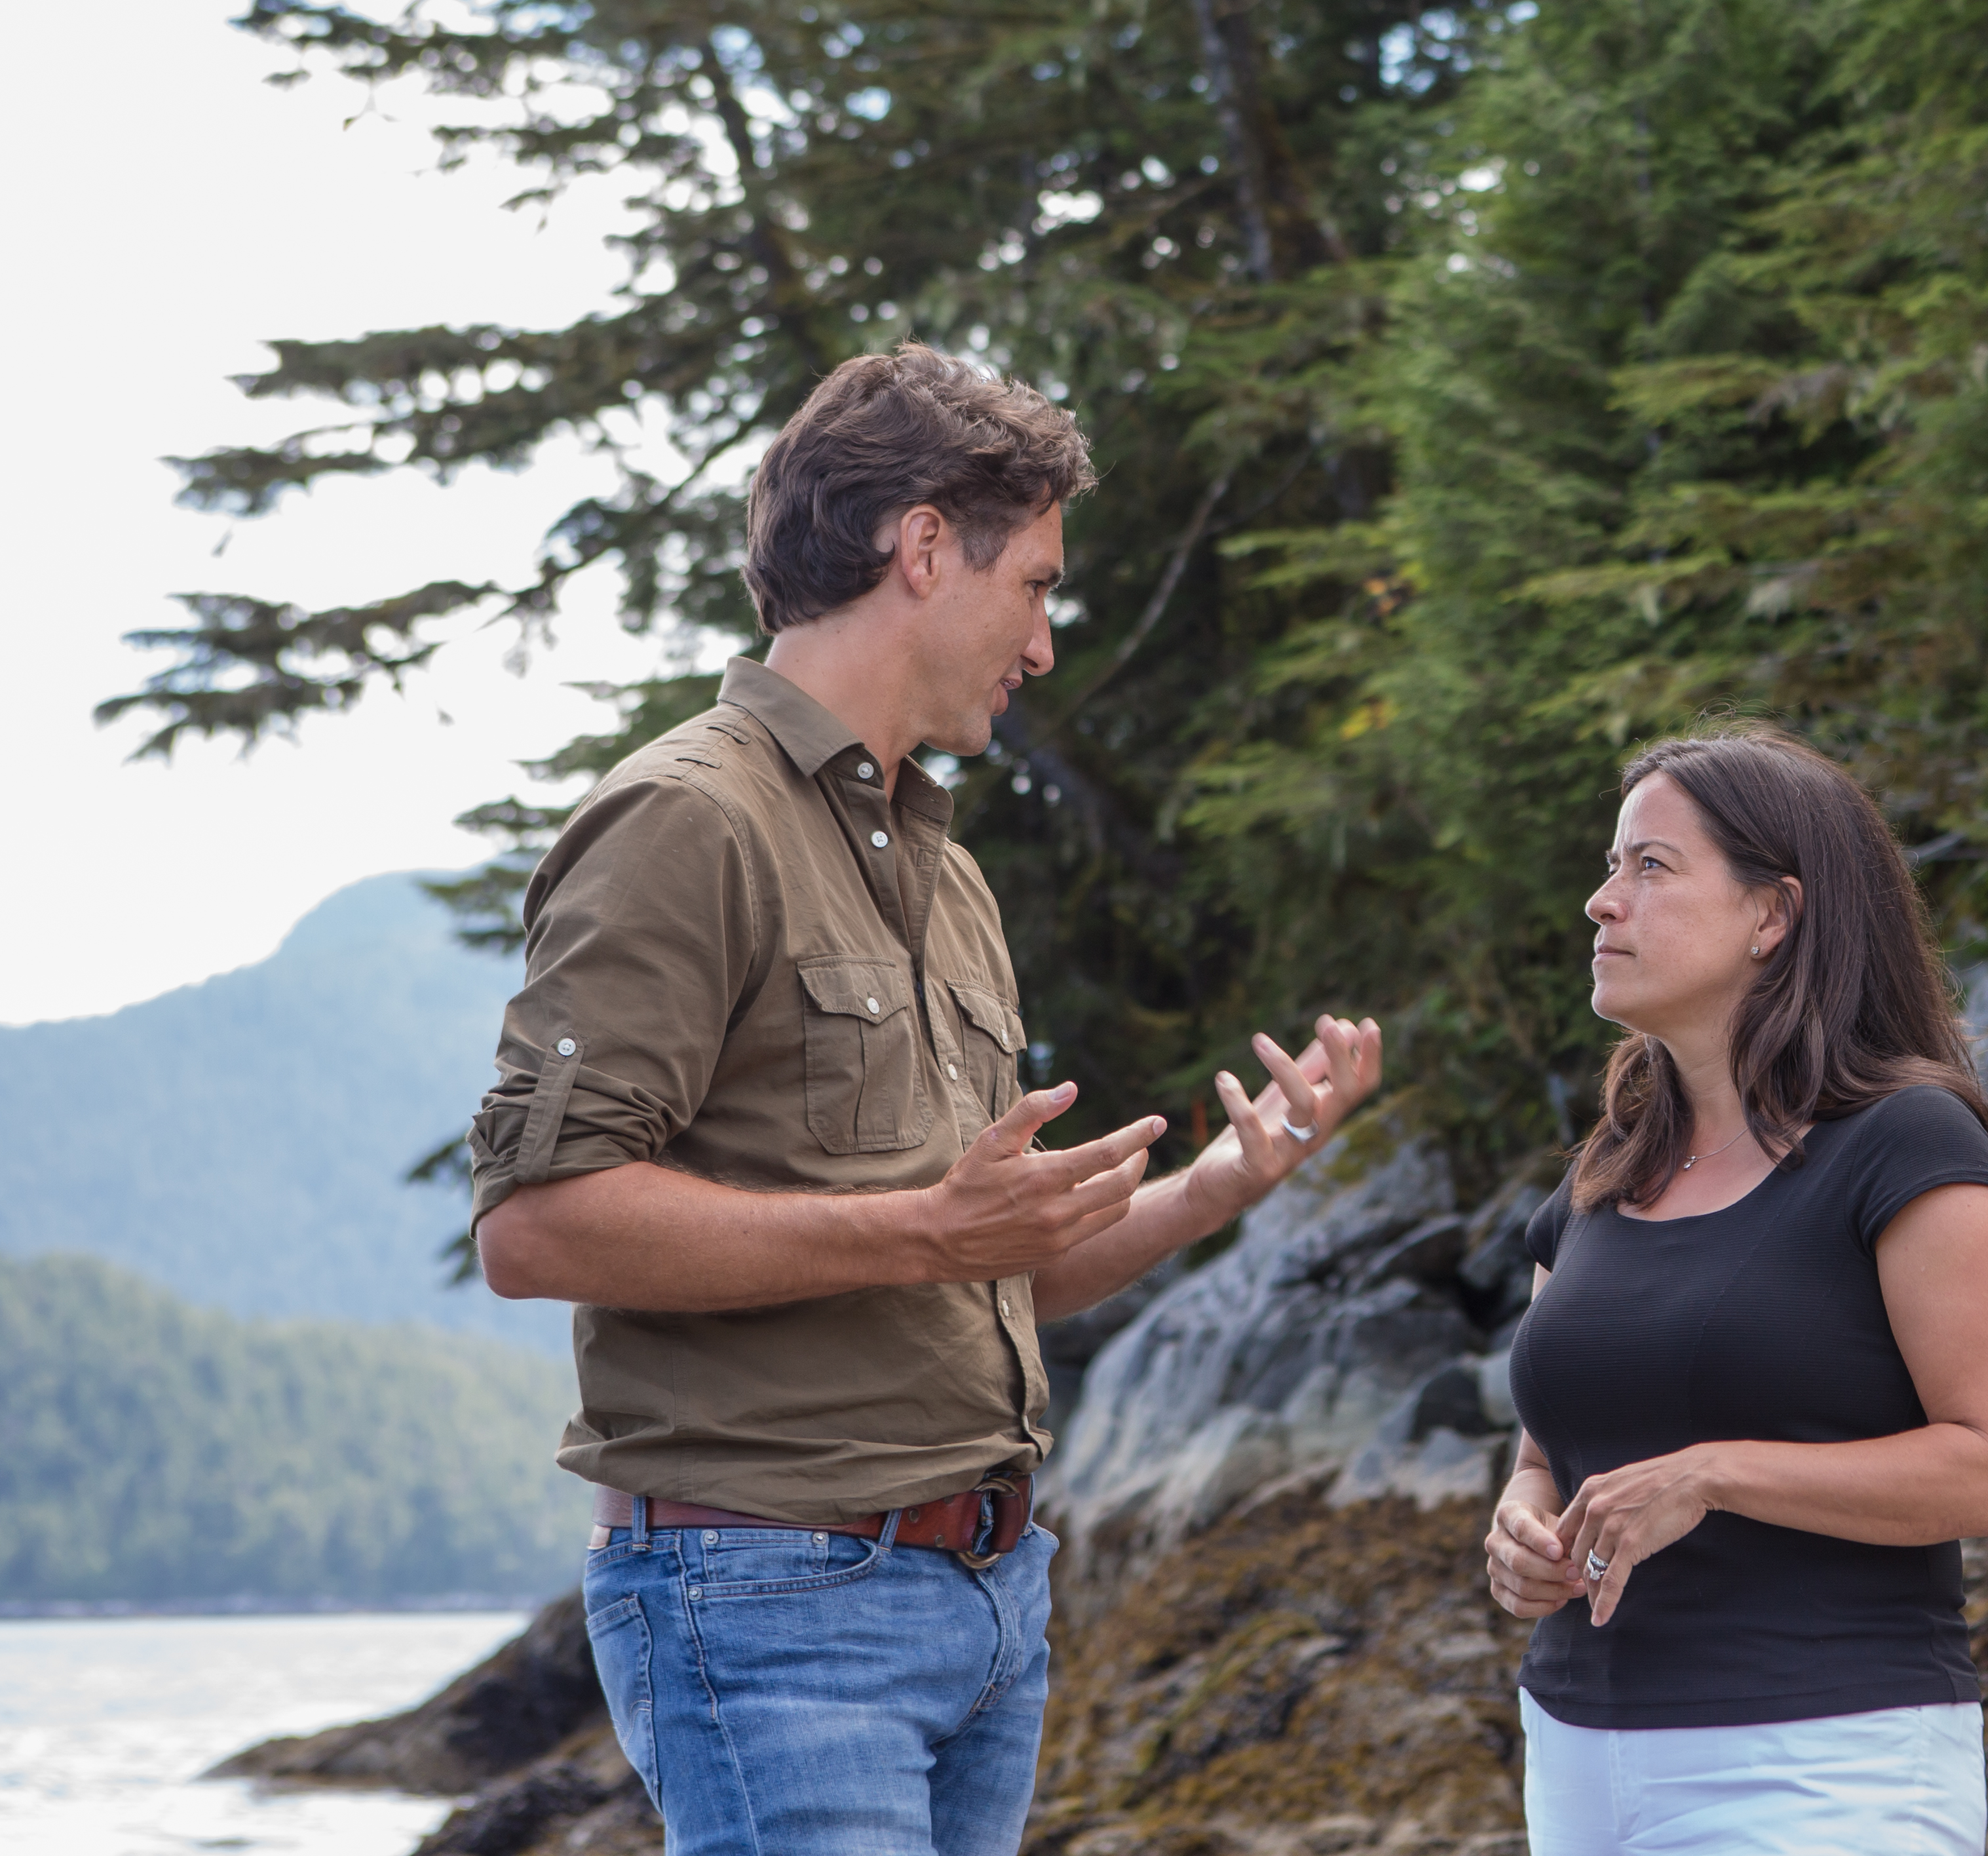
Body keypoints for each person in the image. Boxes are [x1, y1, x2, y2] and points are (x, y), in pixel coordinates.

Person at [468, 343, 1383, 1856]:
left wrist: (1224, 1184)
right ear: (922, 547)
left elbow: (988, 1275)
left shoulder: (951, 881)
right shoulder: (684, 822)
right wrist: (927, 1233)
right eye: (1034, 586)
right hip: (771, 1604)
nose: (1042, 644)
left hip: (990, 1601)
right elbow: (538, 1228)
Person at [1481, 727, 1988, 1855]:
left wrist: (1717, 1477)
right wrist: (1520, 1523)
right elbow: (1548, 1453)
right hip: (1574, 1759)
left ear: (1772, 915)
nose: (1604, 902)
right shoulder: (1608, 1168)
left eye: (1651, 866)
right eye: (1611, 865)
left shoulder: (1906, 1144)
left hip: (1827, 1766)